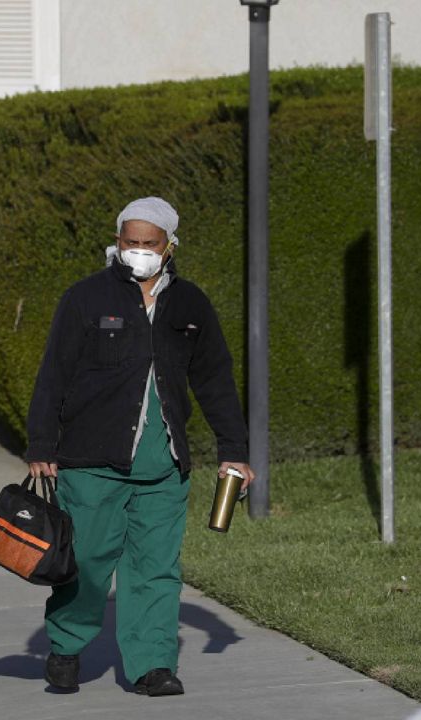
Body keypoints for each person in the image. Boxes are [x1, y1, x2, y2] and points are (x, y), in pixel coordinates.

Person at [24, 196, 253, 696]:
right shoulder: (85, 299)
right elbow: (54, 374)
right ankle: (64, 647)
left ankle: (152, 665)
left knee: (155, 569)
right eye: (131, 242)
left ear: (169, 246)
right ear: (118, 241)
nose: (138, 252)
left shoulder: (190, 304)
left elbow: (215, 379)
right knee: (84, 561)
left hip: (163, 468)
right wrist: (41, 443)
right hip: (91, 463)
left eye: (149, 244)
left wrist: (233, 449)